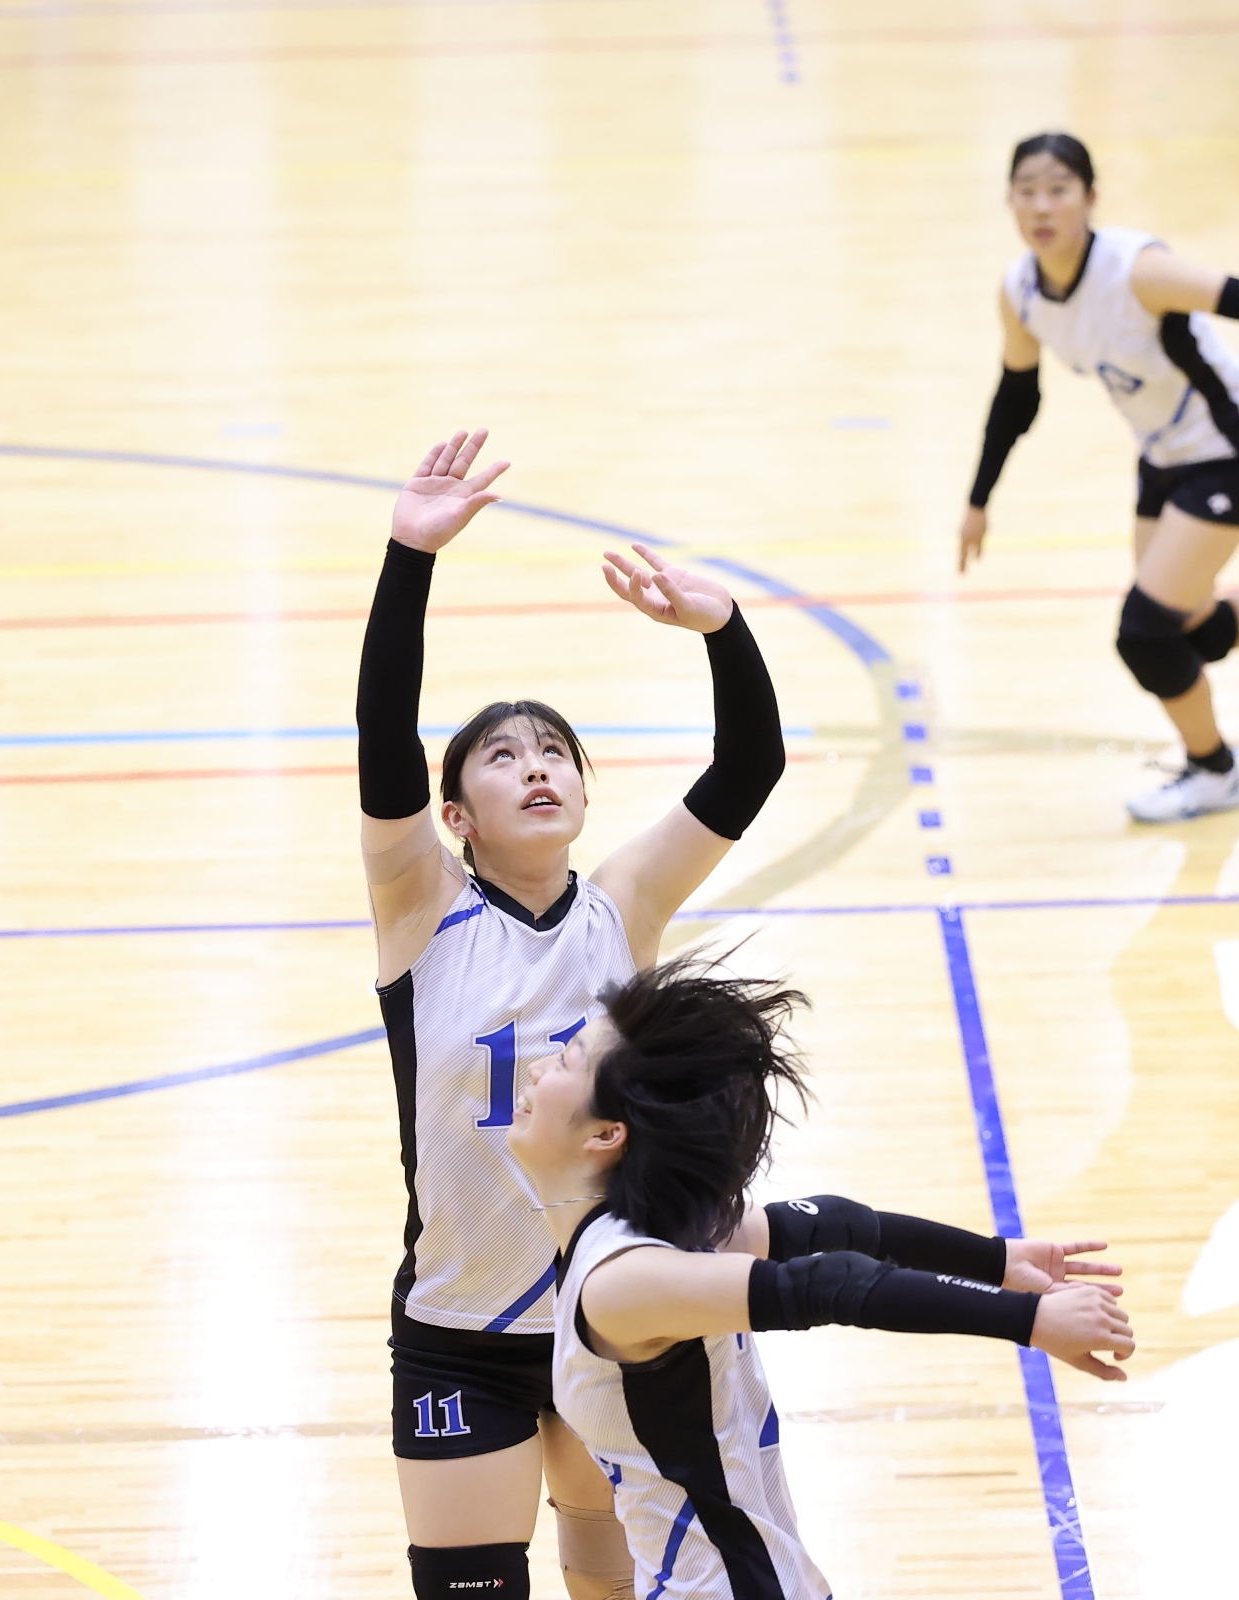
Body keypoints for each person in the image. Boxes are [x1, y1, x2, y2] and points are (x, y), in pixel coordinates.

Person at [357, 431, 790, 1599]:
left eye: (556, 751)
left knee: (613, 1585)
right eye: (503, 757)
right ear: (457, 815)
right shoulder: (419, 907)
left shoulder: (624, 905)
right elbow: (383, 743)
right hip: (457, 1326)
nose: (538, 765)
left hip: (609, 1306)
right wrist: (409, 557)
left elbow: (750, 764)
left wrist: (723, 628)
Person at [512, 955, 1134, 1597]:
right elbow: (835, 1225)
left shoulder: (623, 1282)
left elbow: (832, 1281)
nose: (536, 1067)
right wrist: (996, 1262)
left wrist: (1029, 1317)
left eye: (566, 1062)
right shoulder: (658, 1235)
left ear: (607, 1134)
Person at [957, 132, 1239, 824]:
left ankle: (1215, 771)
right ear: (1009, 202)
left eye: (1059, 190)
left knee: (1145, 633)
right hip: (1164, 453)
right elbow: (1018, 395)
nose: (1041, 207)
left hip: (1232, 448)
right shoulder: (1021, 292)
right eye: (1027, 192)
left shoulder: (1139, 271)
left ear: (1090, 198)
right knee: (1187, 630)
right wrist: (978, 500)